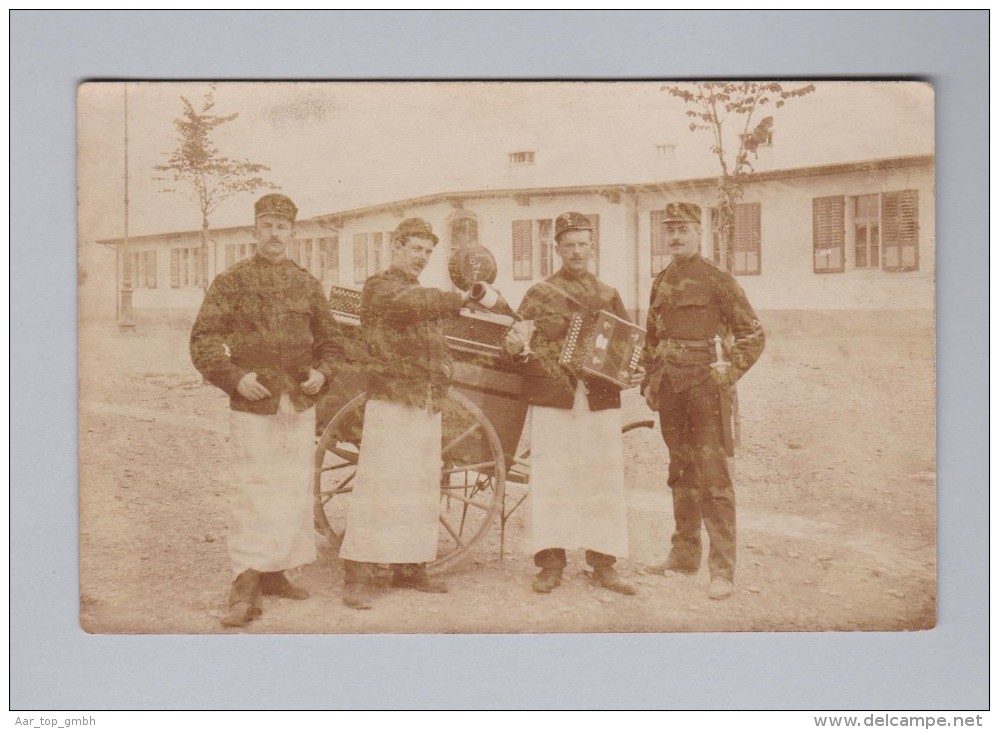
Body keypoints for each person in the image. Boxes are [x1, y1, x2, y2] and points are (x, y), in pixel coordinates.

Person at [190, 193, 346, 627]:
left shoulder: (306, 283)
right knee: (252, 487)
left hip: (296, 403)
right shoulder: (232, 281)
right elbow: (203, 340)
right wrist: (234, 377)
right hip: (253, 402)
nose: (274, 233)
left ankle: (276, 570)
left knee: (292, 487)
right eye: (267, 225)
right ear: (255, 232)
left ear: (292, 233)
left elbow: (332, 341)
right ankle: (245, 580)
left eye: (282, 226)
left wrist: (323, 372)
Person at [338, 217, 477, 610]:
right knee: (380, 487)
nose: (422, 258)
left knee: (419, 486)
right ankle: (358, 574)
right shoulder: (380, 287)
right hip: (391, 399)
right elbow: (409, 305)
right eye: (415, 249)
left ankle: (410, 565)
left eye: (428, 252)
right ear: (396, 247)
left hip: (424, 400)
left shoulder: (419, 291)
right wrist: (458, 299)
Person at [502, 211, 643, 596]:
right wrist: (515, 346)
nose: (576, 252)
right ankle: (550, 564)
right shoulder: (540, 293)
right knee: (553, 478)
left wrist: (631, 368)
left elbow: (628, 345)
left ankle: (604, 563)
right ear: (557, 248)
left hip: (599, 399)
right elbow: (514, 345)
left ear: (591, 246)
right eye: (569, 245)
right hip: (554, 397)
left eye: (583, 244)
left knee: (602, 478)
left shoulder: (607, 294)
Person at [641, 202, 765, 600]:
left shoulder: (718, 280)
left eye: (684, 229)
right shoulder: (661, 280)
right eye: (670, 229)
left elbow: (753, 334)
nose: (675, 236)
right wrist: (649, 378)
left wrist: (728, 372)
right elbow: (651, 338)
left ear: (701, 232)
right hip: (671, 390)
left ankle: (722, 570)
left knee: (714, 477)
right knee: (680, 471)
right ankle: (683, 556)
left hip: (706, 389)